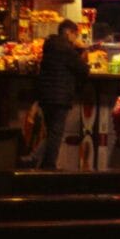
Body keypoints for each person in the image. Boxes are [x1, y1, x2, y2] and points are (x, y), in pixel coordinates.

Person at [38, 19, 92, 172]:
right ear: (69, 32)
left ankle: (37, 161)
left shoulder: (50, 45)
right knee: (56, 133)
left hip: (46, 94)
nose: (76, 39)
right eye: (75, 35)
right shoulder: (66, 49)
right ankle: (49, 167)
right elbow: (83, 70)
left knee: (51, 132)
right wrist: (83, 51)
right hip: (59, 96)